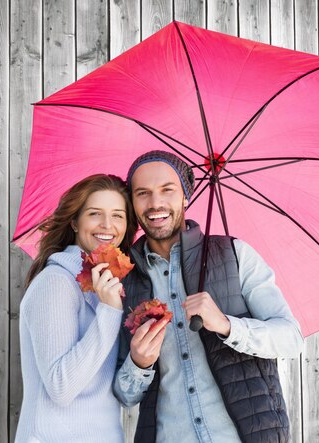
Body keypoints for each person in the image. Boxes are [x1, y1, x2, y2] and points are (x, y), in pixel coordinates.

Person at [114, 151, 304, 443]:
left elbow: (291, 338)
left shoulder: (236, 255)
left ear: (185, 196)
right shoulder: (124, 280)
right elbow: (125, 396)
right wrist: (139, 363)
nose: (155, 204)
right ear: (133, 203)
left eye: (167, 190)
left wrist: (228, 325)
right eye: (143, 193)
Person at [16, 174, 138, 443]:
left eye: (118, 215)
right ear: (74, 221)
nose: (108, 225)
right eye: (95, 213)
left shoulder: (108, 288)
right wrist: (109, 313)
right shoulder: (56, 283)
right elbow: (61, 386)